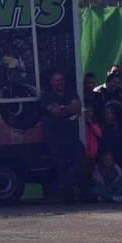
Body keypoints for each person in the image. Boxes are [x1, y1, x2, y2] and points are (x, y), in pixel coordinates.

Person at [41, 70, 82, 203]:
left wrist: (62, 108)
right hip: (55, 137)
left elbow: (77, 107)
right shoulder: (47, 96)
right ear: (52, 83)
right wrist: (69, 109)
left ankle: (67, 186)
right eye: (57, 80)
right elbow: (54, 111)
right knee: (60, 165)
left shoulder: (71, 92)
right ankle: (67, 195)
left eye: (62, 80)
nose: (60, 83)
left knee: (82, 159)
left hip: (72, 136)